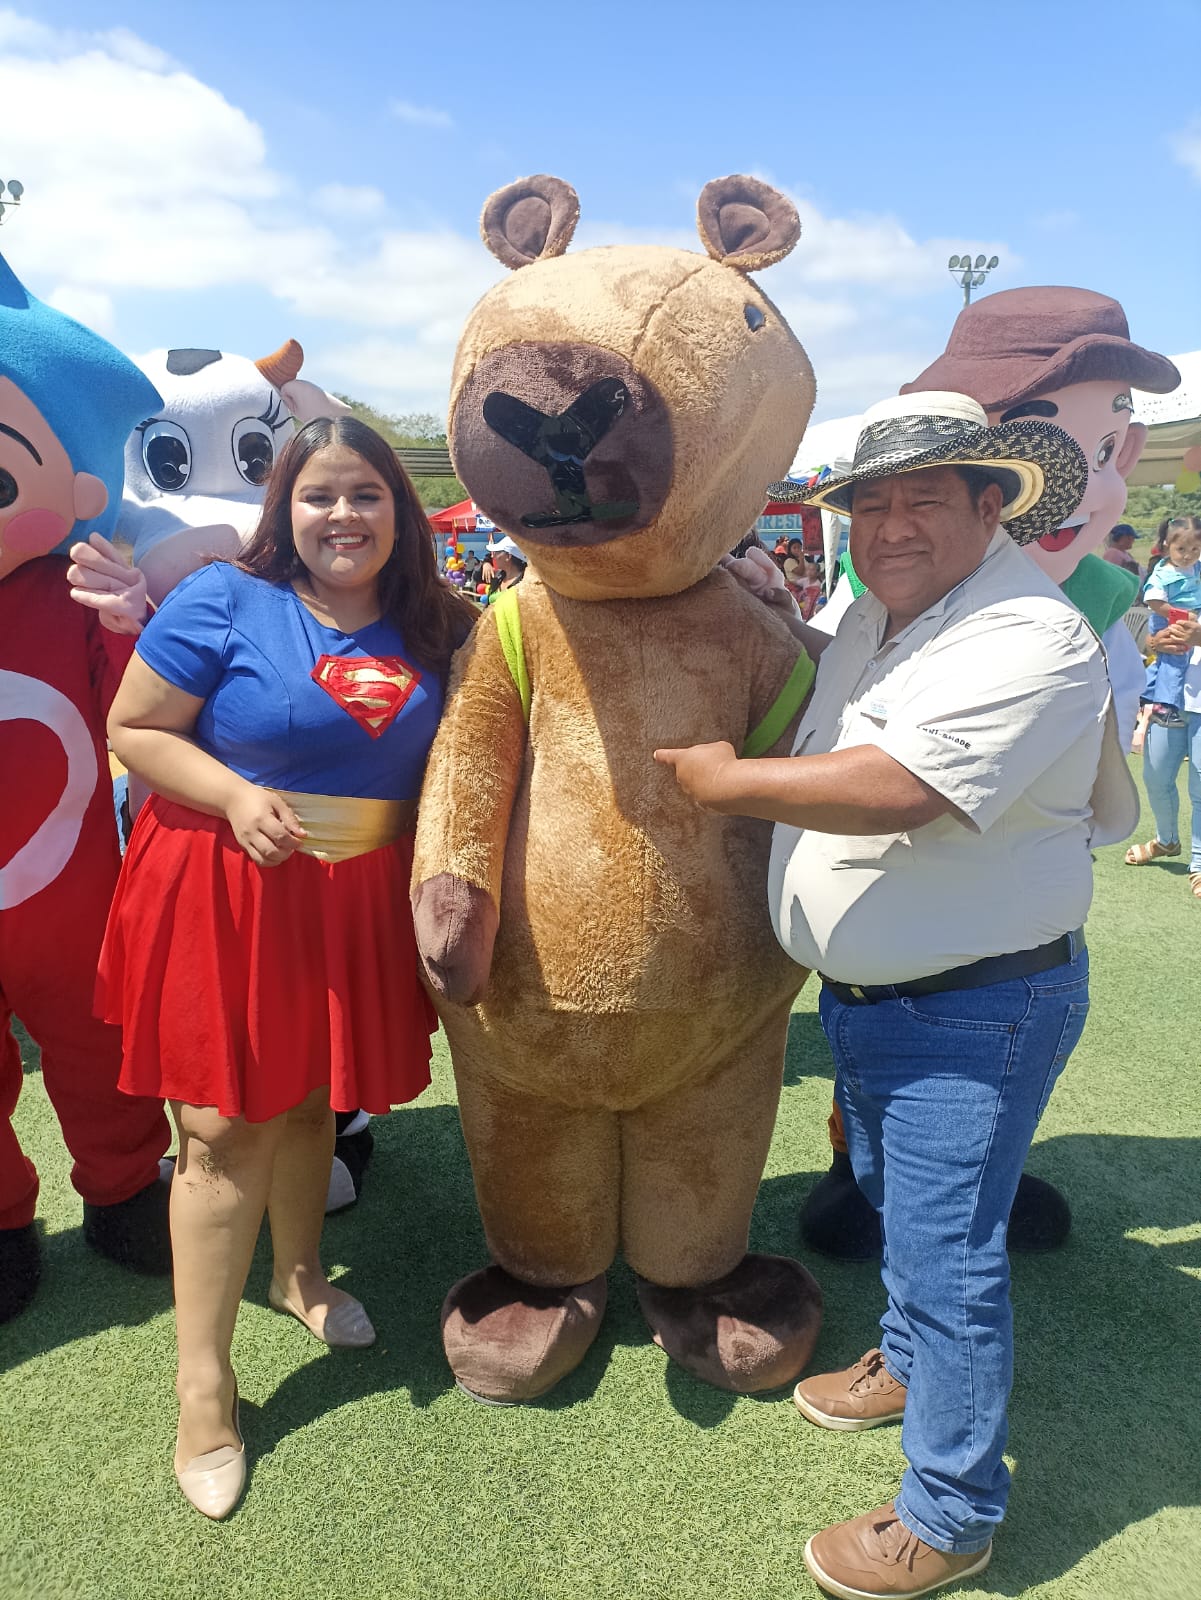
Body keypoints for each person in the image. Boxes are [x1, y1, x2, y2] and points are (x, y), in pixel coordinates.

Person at [657, 392, 1134, 1599]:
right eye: (870, 503)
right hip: (880, 999)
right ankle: (909, 1366)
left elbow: (899, 783)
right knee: (895, 1208)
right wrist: (782, 618)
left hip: (972, 1010)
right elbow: (850, 690)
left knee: (946, 1257)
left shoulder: (1031, 633)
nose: (890, 524)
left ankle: (950, 1512)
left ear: (992, 503)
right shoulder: (881, 613)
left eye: (925, 497)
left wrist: (722, 782)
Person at [97, 415, 475, 1519]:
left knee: (315, 1101)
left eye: (366, 494)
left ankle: (298, 1276)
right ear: (285, 509)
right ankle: (203, 1392)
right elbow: (134, 728)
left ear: (399, 511)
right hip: (226, 884)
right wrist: (232, 794)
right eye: (319, 495)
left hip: (356, 897)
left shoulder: (437, 620)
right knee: (221, 1131)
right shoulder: (223, 597)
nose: (342, 515)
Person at [1139, 515, 1201, 728]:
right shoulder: (1165, 573)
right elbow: (1154, 601)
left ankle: (1146, 693)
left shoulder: (1193, 567)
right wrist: (1155, 641)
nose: (1188, 555)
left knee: (1168, 661)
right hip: (1171, 618)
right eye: (1182, 549)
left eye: (1195, 550)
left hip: (1180, 618)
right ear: (1167, 545)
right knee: (1174, 659)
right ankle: (1164, 705)